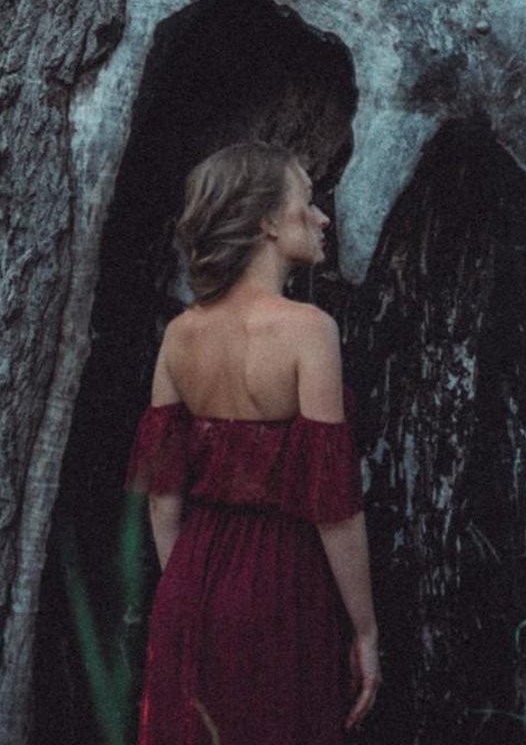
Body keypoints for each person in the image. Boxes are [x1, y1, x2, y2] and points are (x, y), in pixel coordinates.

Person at [126, 140, 381, 742]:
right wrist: (366, 630)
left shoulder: (179, 335)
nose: (322, 218)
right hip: (280, 581)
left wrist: (186, 591)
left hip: (188, 577)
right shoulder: (310, 331)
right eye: (308, 202)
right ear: (267, 221)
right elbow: (333, 506)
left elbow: (163, 496)